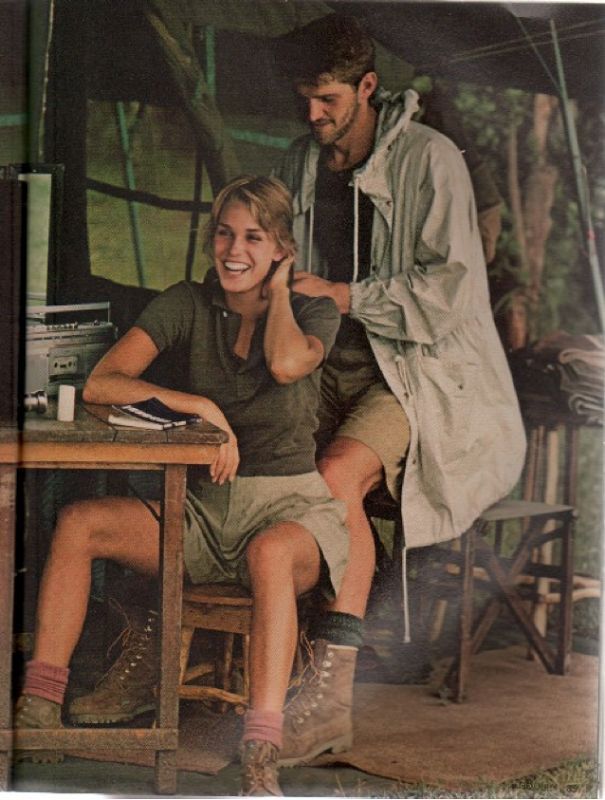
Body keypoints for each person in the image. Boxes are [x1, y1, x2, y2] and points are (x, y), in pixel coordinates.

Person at [14, 175, 349, 796]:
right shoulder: (186, 303)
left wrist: (278, 290)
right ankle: (40, 707)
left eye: (253, 236)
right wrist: (197, 405)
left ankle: (260, 750)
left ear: (281, 247)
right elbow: (102, 384)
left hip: (291, 509)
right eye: (224, 232)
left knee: (270, 554)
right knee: (79, 522)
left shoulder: (311, 310)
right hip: (201, 511)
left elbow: (284, 364)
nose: (233, 249)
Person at [273, 14, 527, 765]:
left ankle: (327, 701)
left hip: (413, 371)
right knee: (251, 459)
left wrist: (344, 296)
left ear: (367, 87)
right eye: (302, 98)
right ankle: (255, 658)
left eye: (325, 98)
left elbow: (448, 294)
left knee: (333, 476)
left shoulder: (430, 159)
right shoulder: (298, 161)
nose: (311, 114)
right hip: (322, 362)